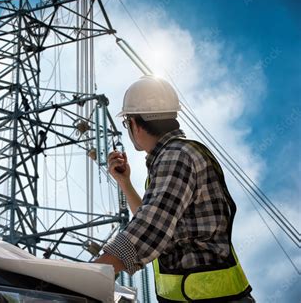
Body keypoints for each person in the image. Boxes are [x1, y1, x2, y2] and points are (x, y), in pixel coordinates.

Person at [94, 75, 254, 302]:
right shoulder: (175, 157)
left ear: (134, 124)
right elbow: (157, 220)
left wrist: (87, 276)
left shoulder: (175, 156)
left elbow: (150, 230)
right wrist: (125, 183)